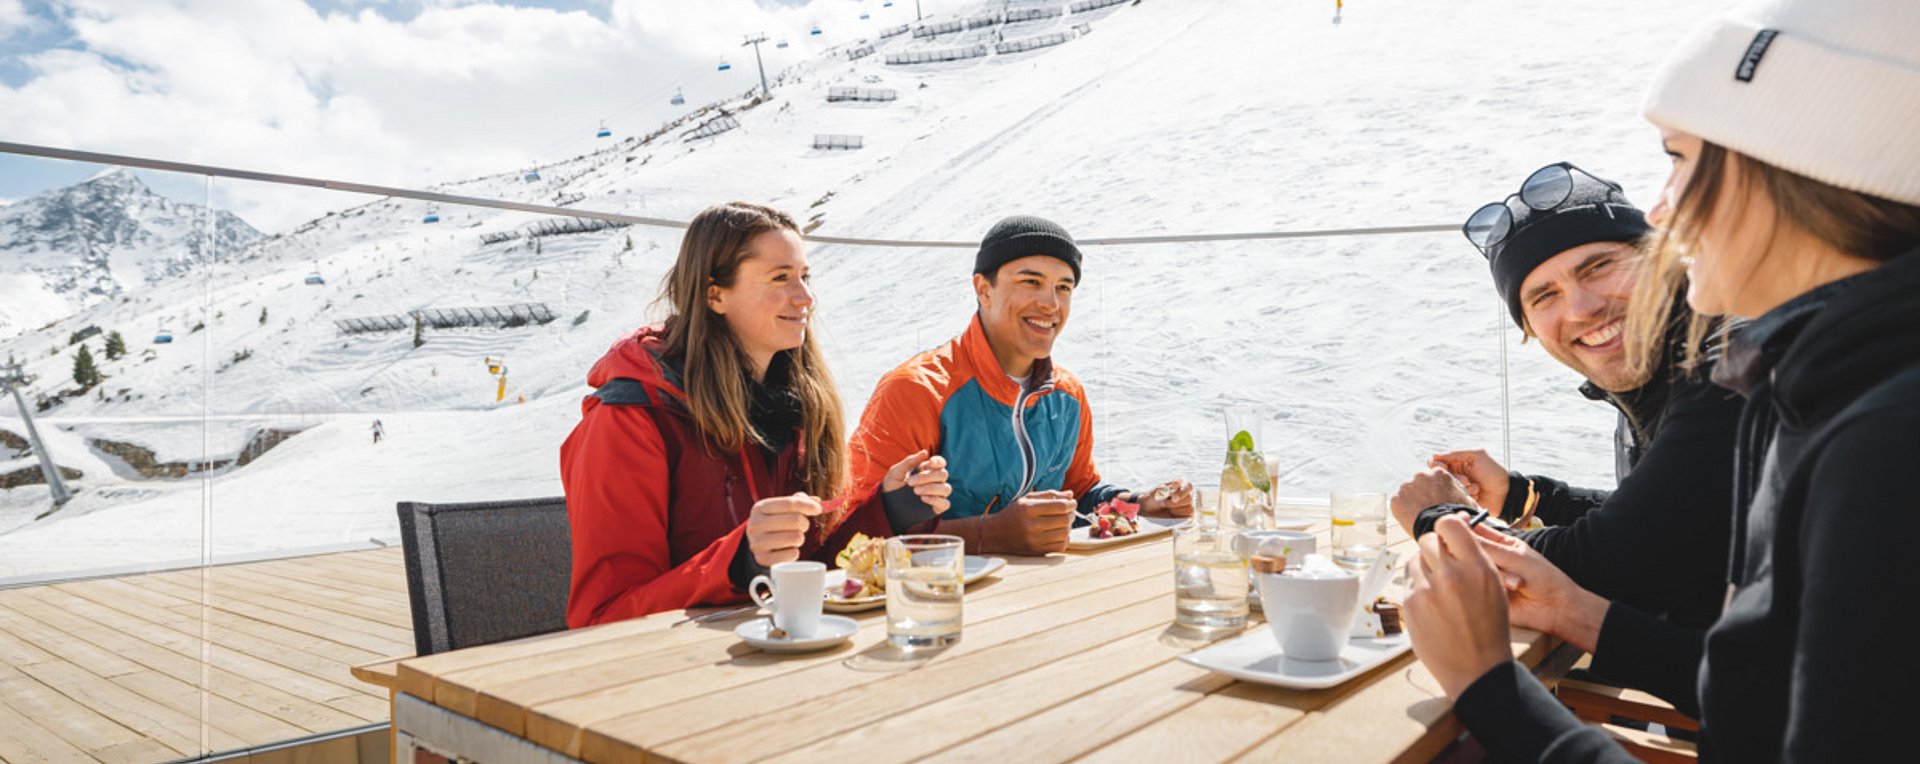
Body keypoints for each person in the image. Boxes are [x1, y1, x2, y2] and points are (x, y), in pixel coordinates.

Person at [1405, 0, 1920, 758]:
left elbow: (1630, 559)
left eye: (1679, 160)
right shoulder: (1826, 391)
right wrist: (1532, 509)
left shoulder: (1872, 438)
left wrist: (1490, 685)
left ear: (1786, 168)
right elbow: (1762, 699)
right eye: (1541, 296)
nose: (1661, 209)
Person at [1389, 163, 1743, 653]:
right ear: (1531, 330)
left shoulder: (1728, 369)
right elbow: (1662, 519)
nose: (1580, 309)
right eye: (1544, 296)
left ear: (1662, 258)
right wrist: (1522, 495)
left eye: (1598, 267)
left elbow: (1611, 562)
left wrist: (1442, 520)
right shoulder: (1660, 380)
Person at [561, 202, 953, 627]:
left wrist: (891, 510)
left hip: (778, 654)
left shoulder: (792, 408)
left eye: (804, 277)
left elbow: (808, 566)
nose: (805, 297)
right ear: (715, 295)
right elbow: (602, 615)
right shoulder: (631, 420)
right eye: (780, 278)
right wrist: (739, 561)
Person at [846, 215, 1194, 556]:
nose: (1051, 304)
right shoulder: (916, 391)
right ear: (984, 289)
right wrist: (992, 535)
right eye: (1031, 282)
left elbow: (1079, 495)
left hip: (1039, 596)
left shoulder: (1067, 396)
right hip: (936, 600)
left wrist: (1140, 504)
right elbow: (856, 533)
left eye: (1063, 287)